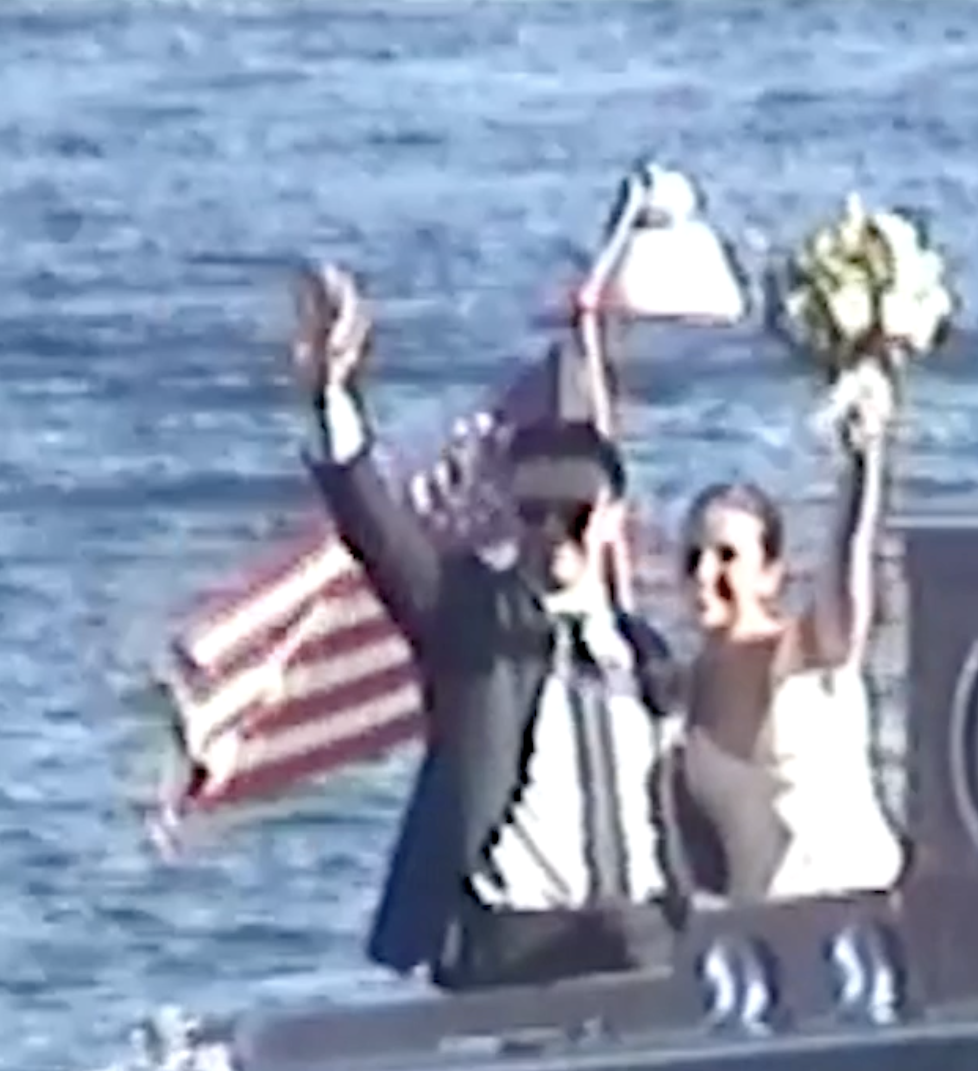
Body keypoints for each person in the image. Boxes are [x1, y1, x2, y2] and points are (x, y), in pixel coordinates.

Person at [292, 262, 690, 989]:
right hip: (514, 938)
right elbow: (376, 529)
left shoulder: (641, 652)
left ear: (610, 522)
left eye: (573, 516)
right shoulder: (469, 619)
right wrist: (331, 395)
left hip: (638, 929)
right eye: (534, 514)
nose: (552, 536)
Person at [670, 363, 906, 901]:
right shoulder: (689, 680)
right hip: (757, 927)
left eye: (728, 557)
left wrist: (862, 467)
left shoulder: (809, 651)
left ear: (771, 571)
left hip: (854, 906)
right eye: (693, 556)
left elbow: (848, 581)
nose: (705, 573)